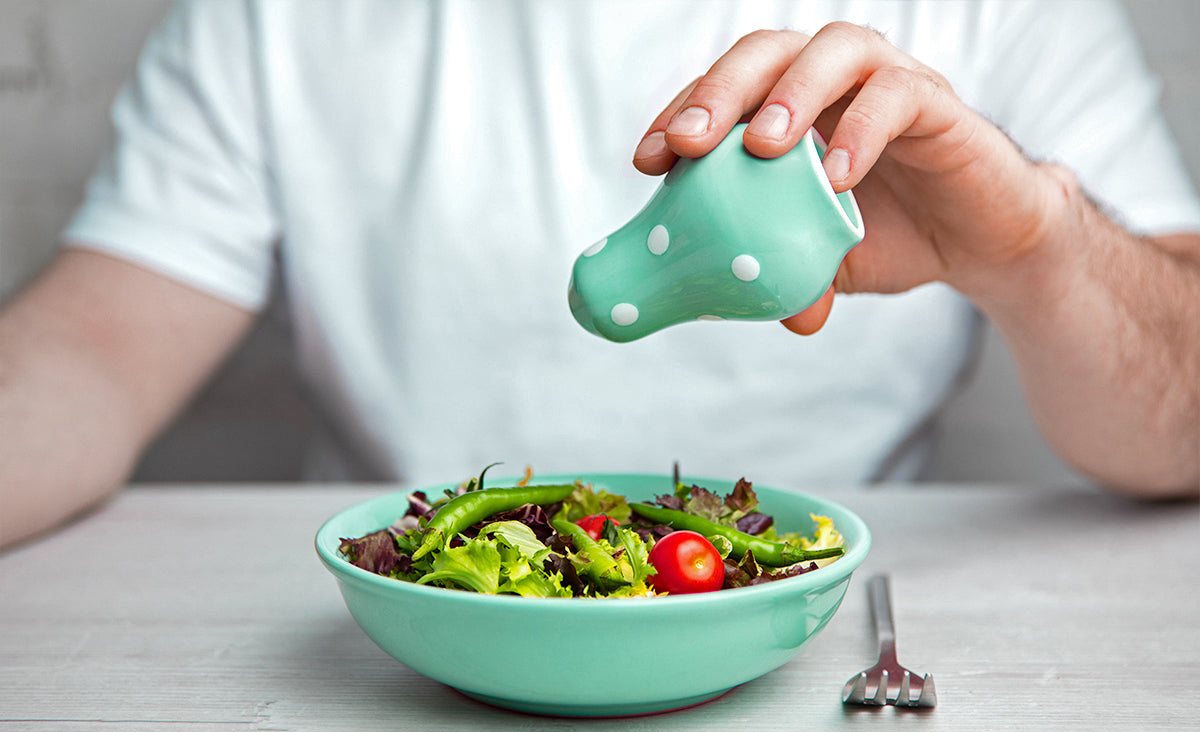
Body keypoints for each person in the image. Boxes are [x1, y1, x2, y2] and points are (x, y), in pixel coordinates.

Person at [1, 0, 1197, 547]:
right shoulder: (272, 19)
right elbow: (93, 350)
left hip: (819, 674)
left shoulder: (1011, 11)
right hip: (413, 649)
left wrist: (1037, 245)